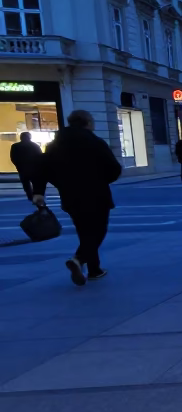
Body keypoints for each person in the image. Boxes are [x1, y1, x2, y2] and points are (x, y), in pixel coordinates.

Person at [34, 110, 121, 285]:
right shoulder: (94, 141)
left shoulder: (54, 145)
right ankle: (79, 259)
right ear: (87, 122)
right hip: (96, 193)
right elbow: (113, 168)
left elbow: (42, 168)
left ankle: (94, 269)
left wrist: (40, 191)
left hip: (70, 195)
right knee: (98, 230)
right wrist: (102, 179)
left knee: (84, 231)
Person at [9, 131, 43, 200]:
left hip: (22, 169)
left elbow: (13, 157)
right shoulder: (35, 145)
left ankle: (30, 196)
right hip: (34, 168)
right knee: (35, 183)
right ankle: (36, 197)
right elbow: (40, 157)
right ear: (30, 137)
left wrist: (18, 166)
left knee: (26, 184)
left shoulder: (15, 146)